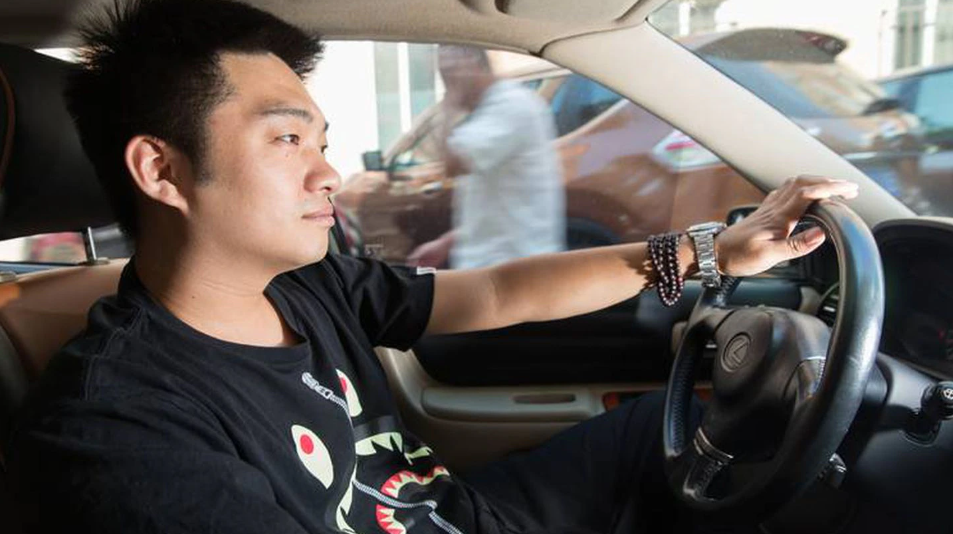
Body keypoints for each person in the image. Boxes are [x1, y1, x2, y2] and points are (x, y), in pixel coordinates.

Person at [4, 0, 858, 533]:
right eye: (287, 138)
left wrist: (712, 251)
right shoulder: (116, 429)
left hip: (462, 512)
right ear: (162, 171)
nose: (329, 172)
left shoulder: (307, 286)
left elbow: (493, 292)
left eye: (323, 141)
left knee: (691, 431)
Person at [407, 46, 565, 269]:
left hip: (510, 270)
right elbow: (493, 209)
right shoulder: (494, 110)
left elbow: (453, 164)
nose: (447, 83)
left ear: (472, 63)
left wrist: (449, 105)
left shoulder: (509, 106)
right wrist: (446, 243)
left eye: (449, 73)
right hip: (499, 266)